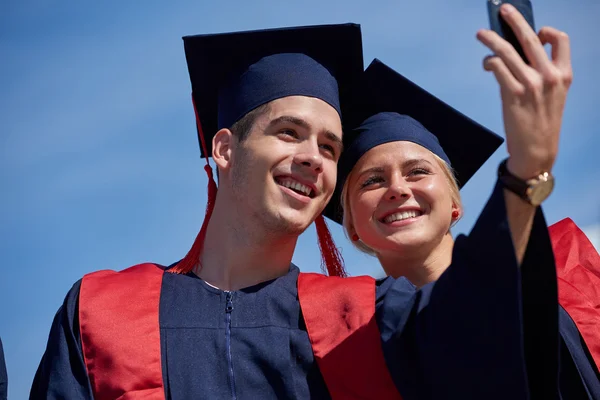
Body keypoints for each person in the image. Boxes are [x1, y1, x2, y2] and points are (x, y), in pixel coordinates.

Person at [32, 20, 558, 400]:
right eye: (288, 133)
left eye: (330, 148)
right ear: (224, 150)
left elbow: (485, 329)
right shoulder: (102, 312)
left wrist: (524, 173)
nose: (313, 157)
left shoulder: (368, 316)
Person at [329, 7, 599, 398]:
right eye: (372, 180)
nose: (397, 188)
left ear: (455, 205)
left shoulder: (575, 275)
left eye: (417, 171)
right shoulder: (348, 340)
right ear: (352, 224)